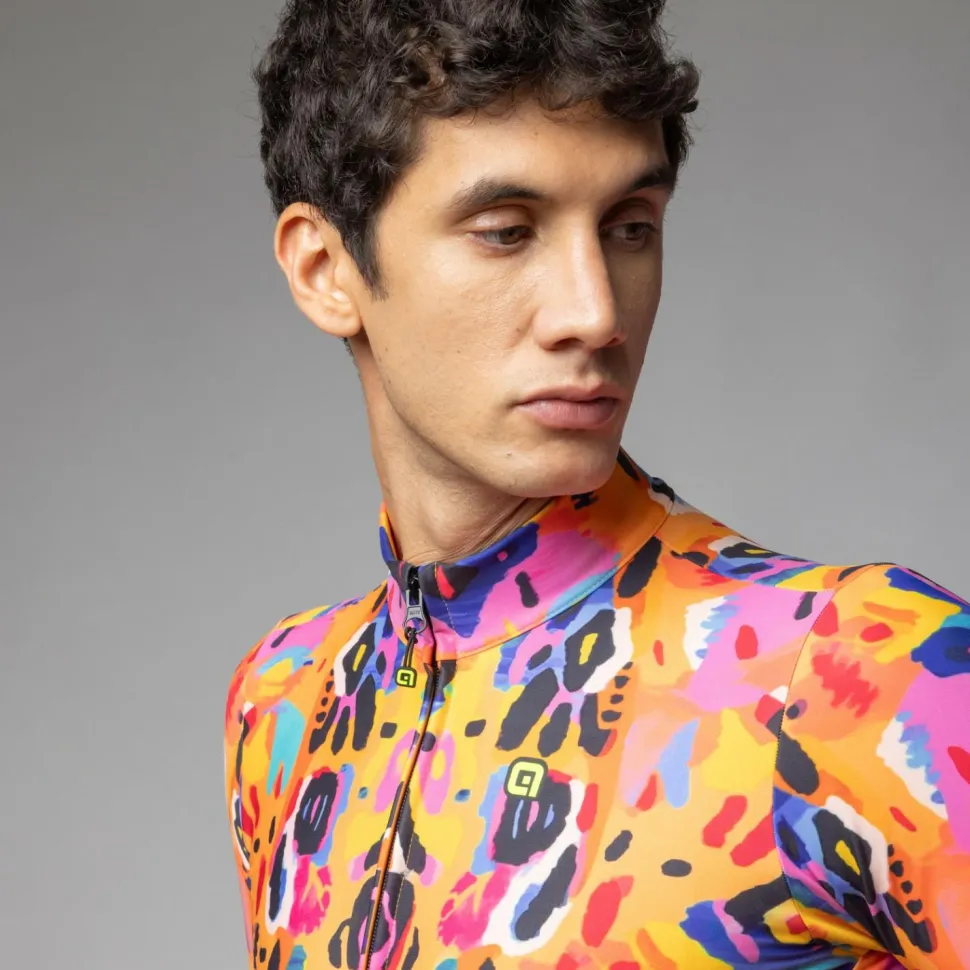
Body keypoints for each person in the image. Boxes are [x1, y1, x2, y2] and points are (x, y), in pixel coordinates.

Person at [223, 0, 970, 966]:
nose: (595, 311)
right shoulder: (285, 704)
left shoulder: (861, 672)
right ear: (326, 269)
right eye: (507, 231)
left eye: (629, 227)